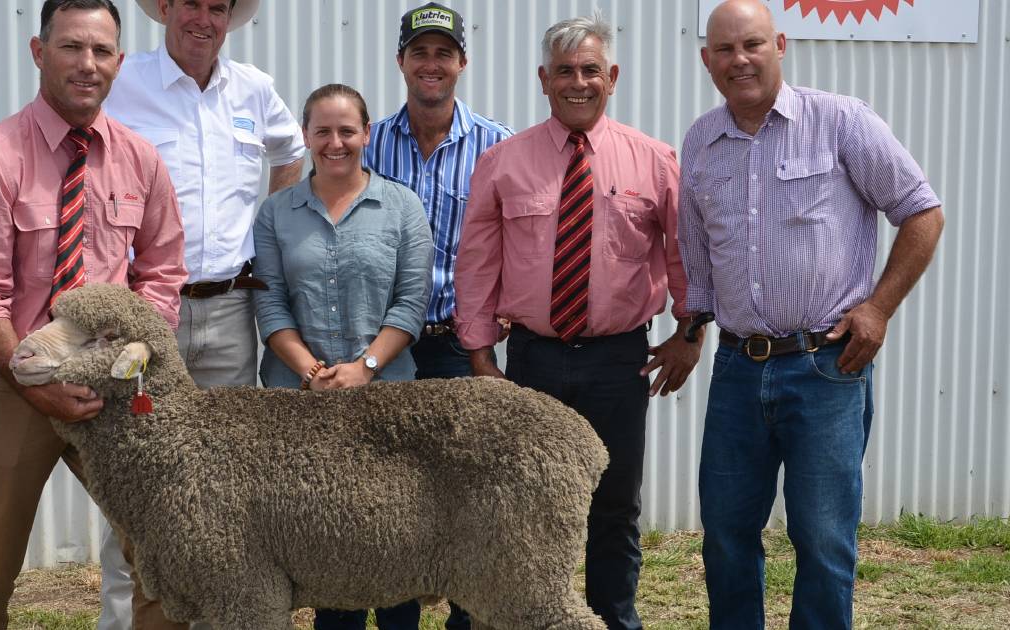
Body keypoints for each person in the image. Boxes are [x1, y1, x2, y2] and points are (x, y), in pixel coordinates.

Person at [680, 1, 945, 627]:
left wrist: (877, 310)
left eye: (751, 45)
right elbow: (697, 256)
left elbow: (922, 211)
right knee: (724, 534)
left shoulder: (840, 121)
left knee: (823, 541)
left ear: (781, 44)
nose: (738, 60)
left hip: (825, 367)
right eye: (724, 50)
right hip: (738, 371)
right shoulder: (700, 141)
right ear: (706, 61)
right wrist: (690, 332)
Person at [0, 1, 187, 628]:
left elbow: (161, 273)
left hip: (114, 387)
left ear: (119, 62)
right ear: (38, 51)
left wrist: (131, 358)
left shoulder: (140, 159)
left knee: (164, 561)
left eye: (102, 51)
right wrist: (35, 381)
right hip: (12, 383)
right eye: (72, 47)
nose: (87, 64)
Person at [453, 14, 701, 630]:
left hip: (620, 362)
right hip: (533, 361)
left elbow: (684, 256)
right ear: (543, 79)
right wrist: (482, 357)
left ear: (611, 77)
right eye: (565, 70)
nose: (579, 82)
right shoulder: (502, 163)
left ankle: (614, 619)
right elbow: (478, 265)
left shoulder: (654, 161)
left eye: (591, 69)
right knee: (520, 504)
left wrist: (689, 334)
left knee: (614, 505)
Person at [99, 1, 305, 624]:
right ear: (164, 9)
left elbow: (289, 155)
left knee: (224, 489)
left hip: (230, 315)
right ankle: (126, 619)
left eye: (219, 7)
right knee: (135, 488)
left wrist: (260, 238)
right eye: (192, 2)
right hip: (146, 317)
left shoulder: (254, 89)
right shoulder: (123, 82)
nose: (204, 18)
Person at [251, 83, 433, 630]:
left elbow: (411, 302)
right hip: (299, 408)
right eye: (323, 131)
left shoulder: (402, 207)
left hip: (387, 403)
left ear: (366, 134)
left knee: (395, 534)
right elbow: (270, 304)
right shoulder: (276, 213)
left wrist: (363, 369)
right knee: (326, 543)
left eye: (347, 130)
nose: (336, 142)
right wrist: (310, 373)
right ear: (306, 137)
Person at [364, 2, 512, 383]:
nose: (431, 64)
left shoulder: (498, 147)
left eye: (444, 53)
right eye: (419, 53)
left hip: (458, 345)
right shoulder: (366, 145)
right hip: (377, 343)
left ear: (462, 62)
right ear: (400, 60)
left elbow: (523, 237)